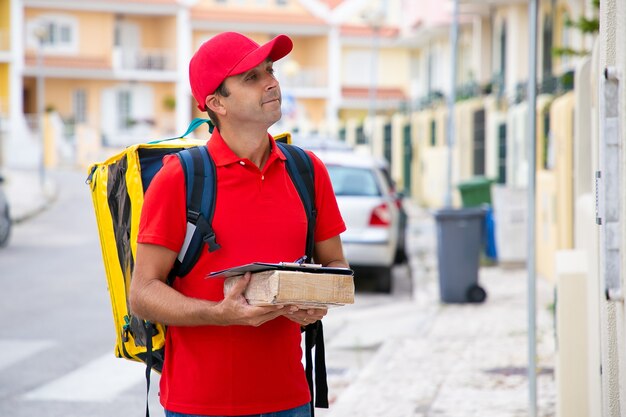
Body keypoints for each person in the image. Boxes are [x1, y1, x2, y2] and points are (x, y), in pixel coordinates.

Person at [129, 31, 348, 417]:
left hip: (291, 399)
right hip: (198, 404)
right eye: (251, 77)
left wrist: (317, 300)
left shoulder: (307, 170)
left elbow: (337, 267)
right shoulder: (179, 179)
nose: (272, 82)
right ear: (216, 103)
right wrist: (218, 314)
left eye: (270, 70)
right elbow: (143, 293)